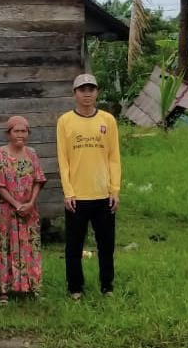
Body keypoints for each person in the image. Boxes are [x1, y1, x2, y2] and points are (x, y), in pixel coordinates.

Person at [56, 74, 121, 299]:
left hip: (103, 194)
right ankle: (75, 287)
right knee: (74, 246)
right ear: (74, 93)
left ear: (97, 92)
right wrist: (68, 192)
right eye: (82, 89)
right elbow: (63, 160)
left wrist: (115, 190)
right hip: (77, 196)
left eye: (91, 89)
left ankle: (107, 286)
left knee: (106, 245)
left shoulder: (108, 120)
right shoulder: (65, 121)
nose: (87, 94)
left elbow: (114, 158)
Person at [0, 115, 46, 303]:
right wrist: (16, 204)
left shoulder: (32, 153)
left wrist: (30, 203)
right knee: (4, 246)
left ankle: (30, 287)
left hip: (29, 210)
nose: (20, 135)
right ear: (8, 133)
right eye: (16, 131)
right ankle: (2, 290)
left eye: (24, 131)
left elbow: (38, 179)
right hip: (5, 211)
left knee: (29, 245)